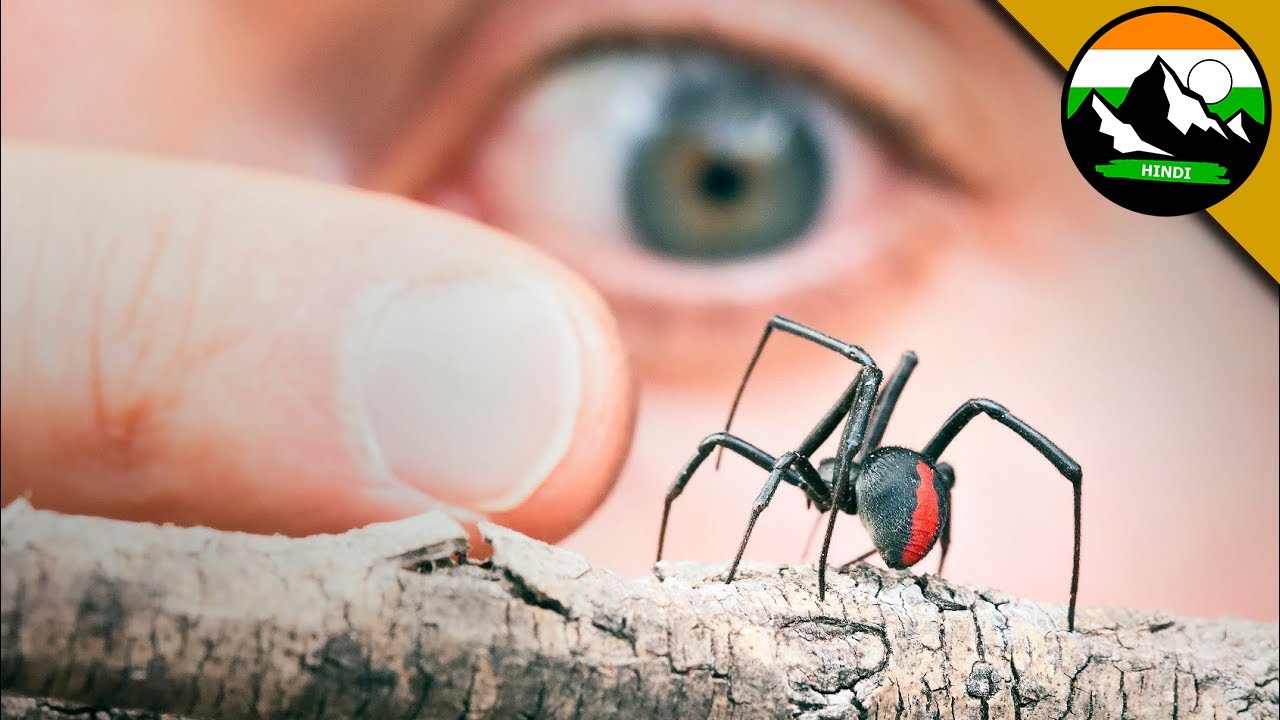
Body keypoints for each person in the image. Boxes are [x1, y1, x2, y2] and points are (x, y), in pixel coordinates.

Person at [2, 1, 1275, 622]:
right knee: (782, 423)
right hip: (887, 500)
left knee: (878, 408)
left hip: (892, 503)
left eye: (714, 176)